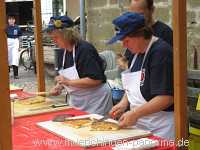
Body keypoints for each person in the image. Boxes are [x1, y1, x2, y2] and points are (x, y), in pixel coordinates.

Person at [108, 12, 174, 140]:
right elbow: (134, 85)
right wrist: (123, 103)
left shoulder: (161, 53)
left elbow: (166, 98)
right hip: (141, 123)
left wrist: (135, 113)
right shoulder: (135, 53)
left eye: (126, 40)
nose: (123, 45)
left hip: (162, 127)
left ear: (140, 35)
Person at [45, 16, 113, 115]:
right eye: (52, 38)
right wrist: (59, 86)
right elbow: (66, 79)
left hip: (96, 101)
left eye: (56, 37)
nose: (54, 41)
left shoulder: (85, 50)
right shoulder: (62, 53)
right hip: (77, 101)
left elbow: (96, 80)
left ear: (67, 35)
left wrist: (68, 82)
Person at [124, 0, 173, 65]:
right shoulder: (133, 31)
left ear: (152, 10)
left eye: (140, 14)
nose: (136, 19)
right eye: (133, 15)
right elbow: (128, 59)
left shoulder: (165, 32)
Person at [6, 14, 22, 79]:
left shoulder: (17, 27)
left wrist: (20, 45)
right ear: (8, 20)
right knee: (8, 57)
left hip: (15, 41)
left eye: (12, 19)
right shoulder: (6, 27)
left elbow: (20, 36)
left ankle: (16, 74)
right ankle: (7, 73)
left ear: (14, 20)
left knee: (15, 58)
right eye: (10, 19)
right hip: (8, 42)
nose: (11, 21)